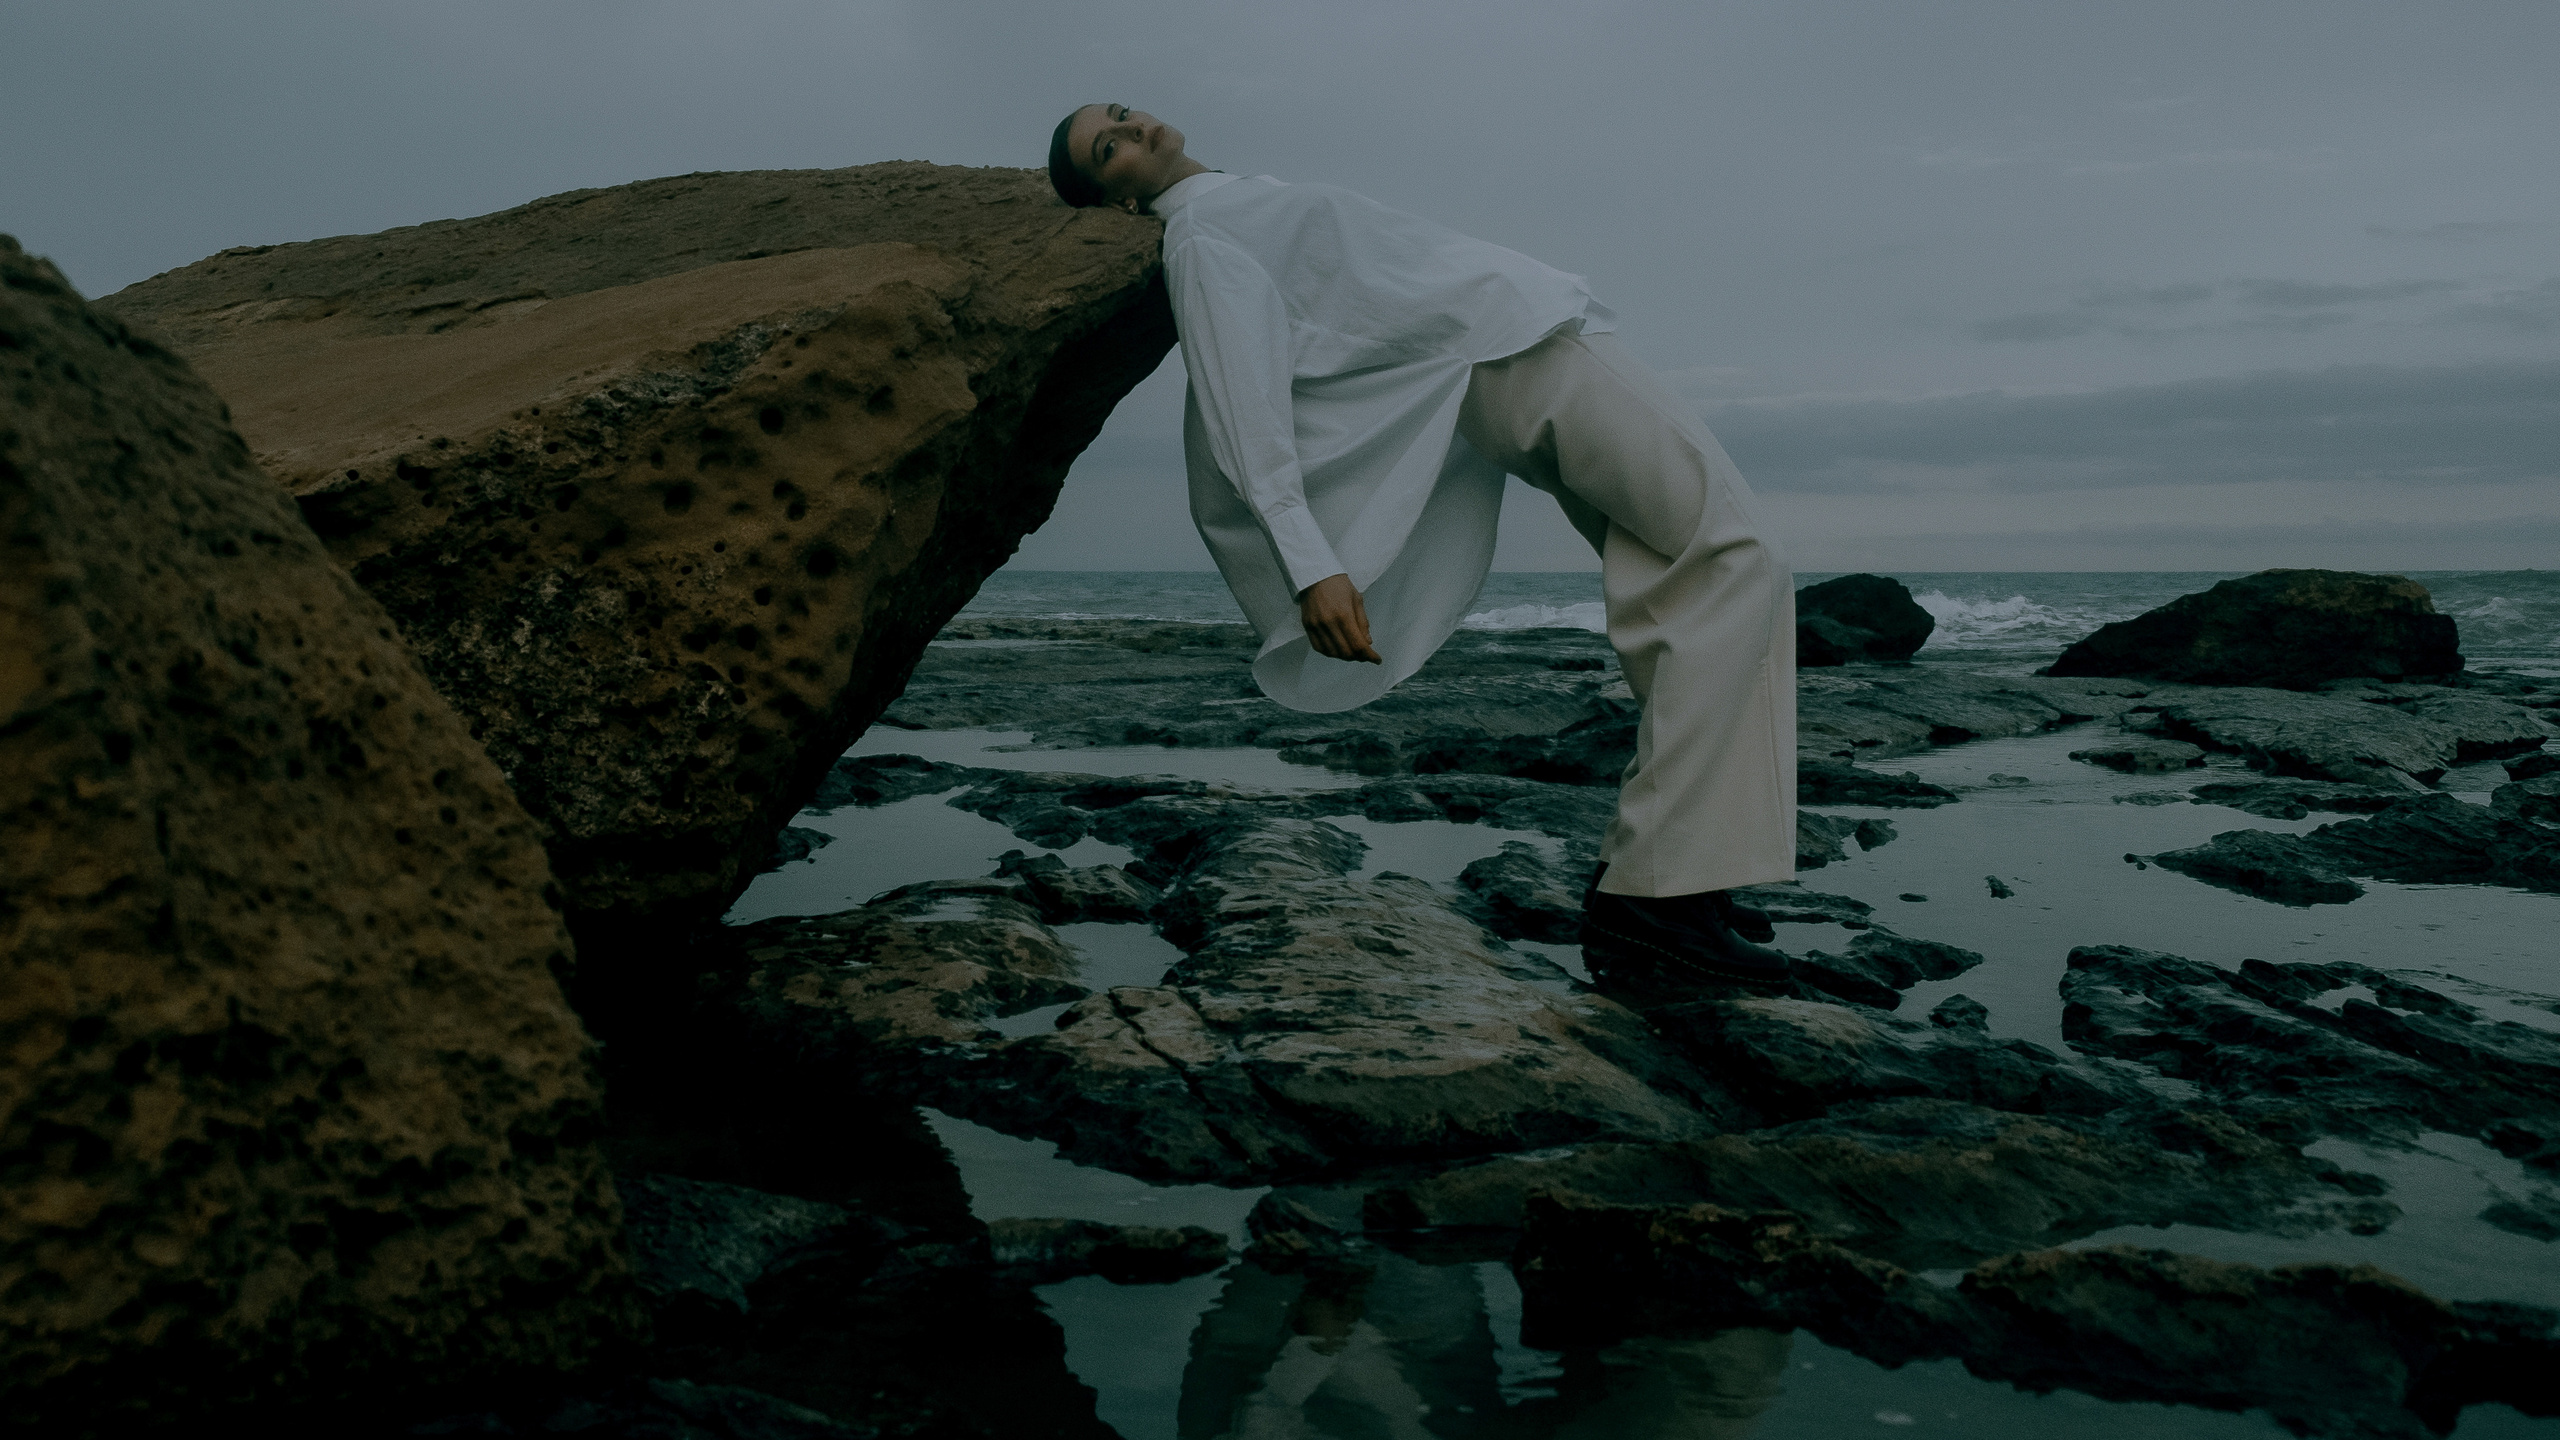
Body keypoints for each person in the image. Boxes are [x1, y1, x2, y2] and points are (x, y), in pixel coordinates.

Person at [1047, 103, 1796, 987]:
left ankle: (1679, 878)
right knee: (1736, 556)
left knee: (1679, 584)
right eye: (1110, 148)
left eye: (1124, 116)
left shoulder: (1241, 197)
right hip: (1518, 355)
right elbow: (1239, 409)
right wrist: (1311, 564)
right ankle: (1658, 898)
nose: (1133, 131)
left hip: (1517, 341)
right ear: (1118, 204)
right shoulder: (1206, 235)